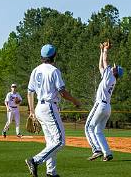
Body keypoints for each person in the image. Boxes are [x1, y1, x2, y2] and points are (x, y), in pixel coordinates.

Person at [25, 44, 81, 177]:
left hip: (39, 107)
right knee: (60, 141)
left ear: (42, 56)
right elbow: (62, 92)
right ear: (54, 56)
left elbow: (30, 92)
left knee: (51, 142)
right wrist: (75, 101)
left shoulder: (36, 70)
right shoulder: (54, 71)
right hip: (49, 107)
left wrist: (32, 111)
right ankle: (35, 160)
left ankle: (51, 172)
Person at [85, 41, 123, 161]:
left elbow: (105, 62)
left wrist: (106, 50)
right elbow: (100, 66)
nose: (112, 66)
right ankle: (107, 153)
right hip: (107, 108)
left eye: (114, 67)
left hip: (100, 104)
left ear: (114, 71)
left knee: (88, 127)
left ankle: (96, 149)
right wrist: (101, 51)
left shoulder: (110, 75)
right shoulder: (111, 78)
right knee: (98, 130)